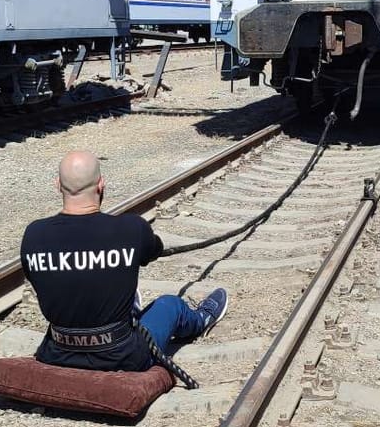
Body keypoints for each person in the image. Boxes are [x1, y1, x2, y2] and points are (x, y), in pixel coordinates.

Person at [19, 150, 228, 373]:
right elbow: (153, 250)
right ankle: (202, 319)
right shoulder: (131, 228)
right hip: (123, 355)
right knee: (170, 305)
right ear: (101, 184)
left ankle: (129, 309)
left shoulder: (34, 234)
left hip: (57, 352)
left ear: (58, 185)